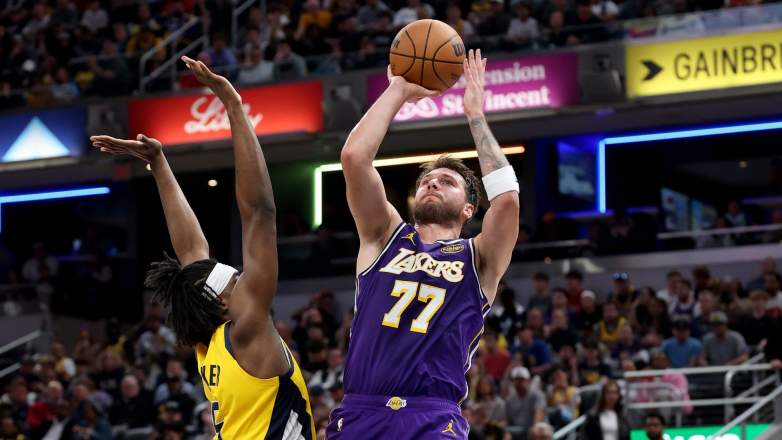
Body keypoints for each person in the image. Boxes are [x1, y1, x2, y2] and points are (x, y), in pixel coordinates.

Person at [90, 56, 315, 439]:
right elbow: (259, 213)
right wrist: (233, 105)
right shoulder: (247, 331)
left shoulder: (207, 345)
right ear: (224, 303)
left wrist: (159, 164)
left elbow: (192, 253)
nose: (245, 277)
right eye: (236, 280)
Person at [327, 49, 520, 439]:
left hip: (432, 417)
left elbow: (508, 200)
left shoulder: (479, 256)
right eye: (427, 181)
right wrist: (397, 89)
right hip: (361, 410)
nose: (432, 183)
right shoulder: (385, 235)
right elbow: (354, 156)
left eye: (447, 181)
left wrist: (475, 115)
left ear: (468, 209)